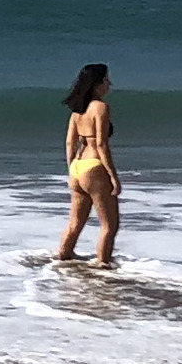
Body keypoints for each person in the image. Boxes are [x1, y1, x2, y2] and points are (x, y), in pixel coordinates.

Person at [57, 63, 120, 267]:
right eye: (106, 80)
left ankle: (63, 260)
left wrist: (71, 170)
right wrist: (112, 176)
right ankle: (103, 267)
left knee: (75, 223)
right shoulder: (100, 108)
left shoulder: (77, 111)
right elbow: (101, 144)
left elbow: (69, 143)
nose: (109, 84)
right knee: (109, 226)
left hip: (77, 166)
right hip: (94, 165)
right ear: (96, 84)